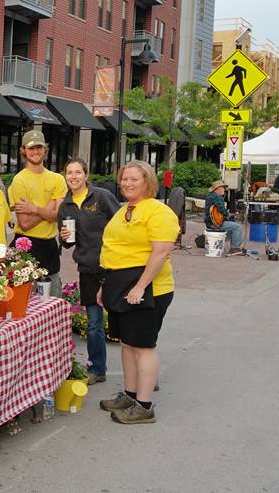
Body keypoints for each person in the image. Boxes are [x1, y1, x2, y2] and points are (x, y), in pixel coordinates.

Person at [97, 161, 179, 424]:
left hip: (148, 286)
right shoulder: (125, 210)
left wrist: (141, 286)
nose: (128, 184)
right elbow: (114, 249)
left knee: (143, 346)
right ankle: (130, 395)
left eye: (134, 179)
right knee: (127, 343)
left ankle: (144, 406)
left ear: (148, 182)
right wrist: (104, 286)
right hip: (120, 283)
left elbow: (161, 252)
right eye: (124, 179)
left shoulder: (158, 212)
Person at [56, 158, 119, 385]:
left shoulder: (101, 197)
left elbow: (121, 222)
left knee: (124, 320)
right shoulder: (65, 206)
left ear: (86, 174)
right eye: (69, 173)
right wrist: (64, 238)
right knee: (94, 324)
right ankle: (97, 369)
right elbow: (68, 244)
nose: (73, 177)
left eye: (78, 172)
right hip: (88, 269)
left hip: (113, 267)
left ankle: (144, 369)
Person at [7, 130, 68, 296]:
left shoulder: (57, 179)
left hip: (50, 246)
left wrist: (34, 209)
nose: (35, 152)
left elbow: (58, 216)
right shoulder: (20, 180)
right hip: (25, 245)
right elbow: (25, 224)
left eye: (39, 147)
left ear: (45, 149)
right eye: (31, 148)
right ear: (23, 151)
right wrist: (49, 208)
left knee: (52, 298)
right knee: (23, 301)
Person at [204, 180, 244, 255]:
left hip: (209, 222)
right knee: (238, 227)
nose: (224, 189)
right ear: (218, 188)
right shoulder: (217, 197)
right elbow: (222, 210)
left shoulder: (210, 195)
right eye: (223, 188)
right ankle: (235, 248)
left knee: (232, 227)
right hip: (216, 223)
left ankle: (220, 243)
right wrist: (229, 214)